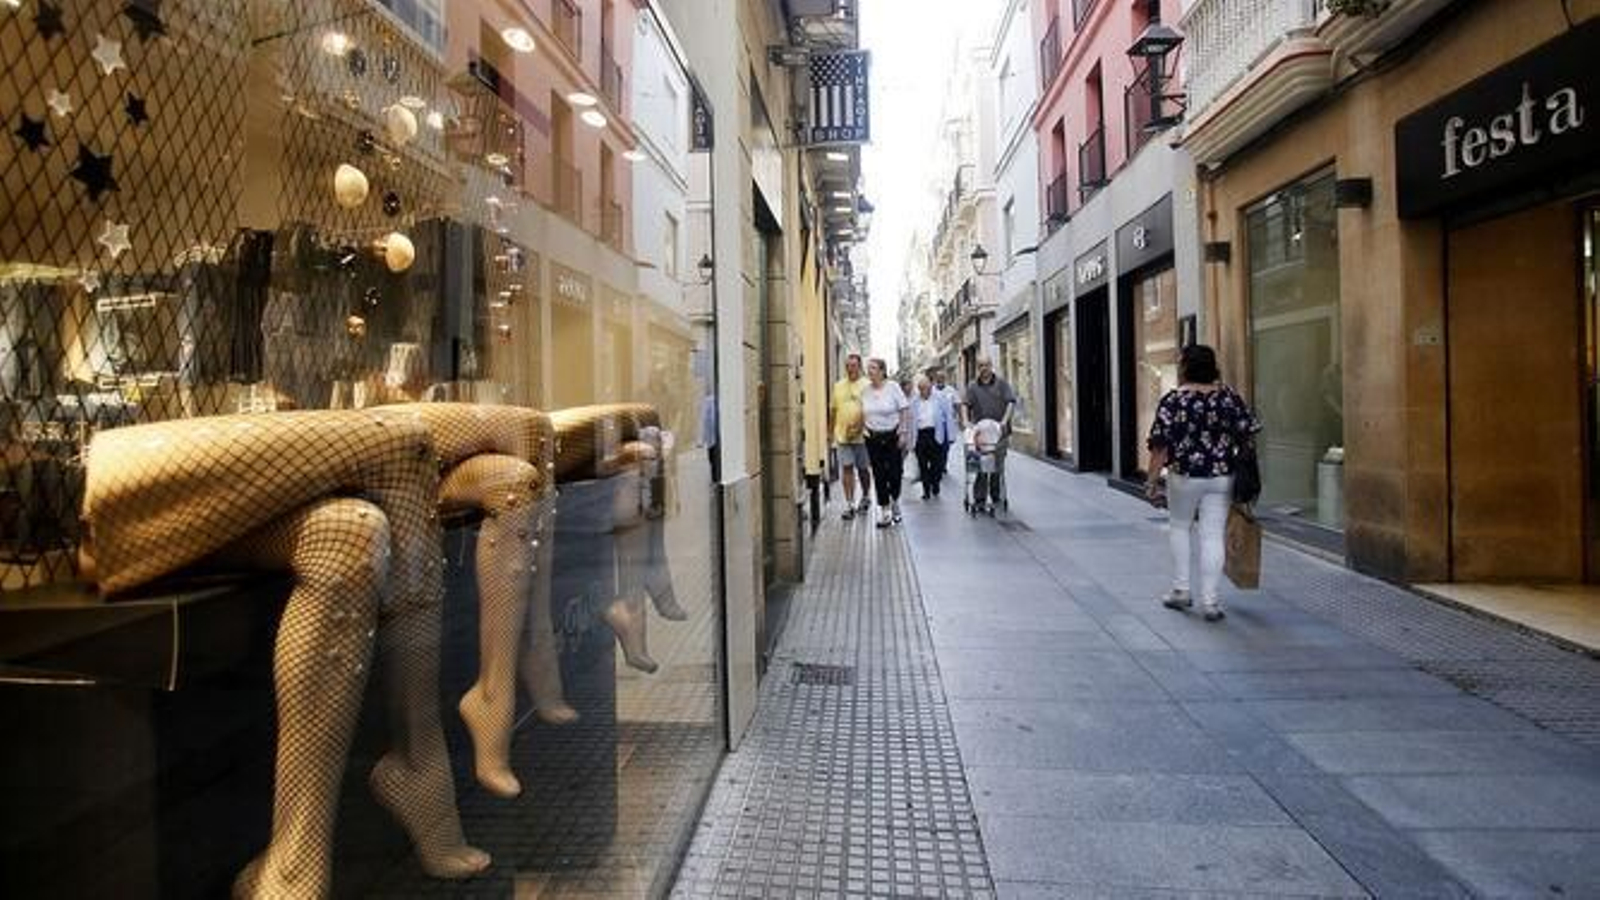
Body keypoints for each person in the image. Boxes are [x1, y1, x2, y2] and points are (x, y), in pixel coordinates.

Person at [1144, 344, 1261, 623]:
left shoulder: (1173, 400)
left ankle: (1181, 590)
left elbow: (1160, 447)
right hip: (1221, 476)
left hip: (1184, 475)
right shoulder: (1229, 397)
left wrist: (1151, 482)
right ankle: (1211, 602)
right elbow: (1247, 434)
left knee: (1180, 528)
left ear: (1185, 367)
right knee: (1211, 534)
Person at [960, 356, 1017, 511]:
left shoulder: (1002, 383)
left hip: (999, 433)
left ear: (991, 366)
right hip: (980, 435)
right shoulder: (972, 386)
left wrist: (1005, 421)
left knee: (997, 467)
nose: (983, 368)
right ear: (977, 368)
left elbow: (1011, 402)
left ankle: (996, 495)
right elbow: (965, 404)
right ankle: (979, 498)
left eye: (986, 365)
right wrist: (965, 421)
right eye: (980, 366)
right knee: (980, 467)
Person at [860, 357, 910, 527]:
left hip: (892, 436)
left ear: (882, 371)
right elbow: (862, 411)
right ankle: (885, 510)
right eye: (869, 368)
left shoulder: (893, 387)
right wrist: (863, 429)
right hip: (872, 437)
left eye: (873, 368)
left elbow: (904, 409)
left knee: (895, 473)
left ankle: (895, 501)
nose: (870, 371)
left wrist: (903, 432)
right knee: (879, 474)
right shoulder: (865, 391)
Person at [828, 353, 873, 520]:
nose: (850, 369)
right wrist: (829, 432)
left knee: (863, 469)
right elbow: (833, 410)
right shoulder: (838, 386)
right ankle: (849, 504)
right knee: (846, 468)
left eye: (853, 366)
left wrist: (859, 427)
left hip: (862, 436)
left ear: (859, 367)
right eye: (847, 366)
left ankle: (866, 495)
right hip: (842, 436)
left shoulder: (867, 385)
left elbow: (871, 410)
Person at [909, 374, 957, 499]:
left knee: (938, 464)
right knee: (922, 465)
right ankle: (926, 491)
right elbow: (911, 422)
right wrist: (910, 441)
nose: (923, 391)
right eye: (921, 389)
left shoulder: (940, 398)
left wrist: (951, 436)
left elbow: (948, 417)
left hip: (936, 434)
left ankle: (935, 483)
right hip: (921, 436)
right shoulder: (914, 401)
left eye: (925, 388)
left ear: (930, 388)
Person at [929, 367, 960, 482]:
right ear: (935, 378)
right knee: (936, 446)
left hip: (948, 424)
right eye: (938, 377)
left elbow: (957, 404)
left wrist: (960, 418)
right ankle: (937, 465)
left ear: (945, 378)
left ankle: (942, 465)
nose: (940, 379)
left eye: (942, 377)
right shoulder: (931, 390)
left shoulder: (951, 390)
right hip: (934, 424)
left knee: (945, 447)